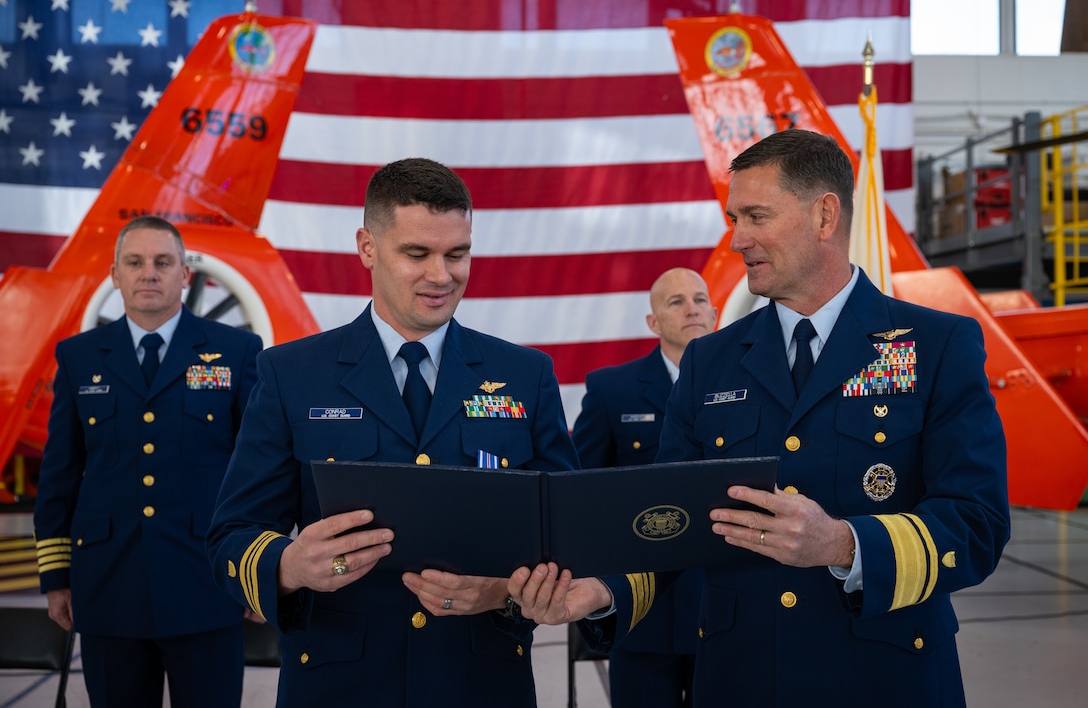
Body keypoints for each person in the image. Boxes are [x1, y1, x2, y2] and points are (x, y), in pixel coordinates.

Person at [510, 129, 1011, 707]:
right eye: (733, 218)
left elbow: (976, 524)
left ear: (825, 215)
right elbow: (671, 521)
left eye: (755, 216)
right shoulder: (710, 361)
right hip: (739, 678)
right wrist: (600, 590)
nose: (738, 238)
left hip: (884, 677)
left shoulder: (936, 344)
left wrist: (845, 543)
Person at [206, 157, 579, 707]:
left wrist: (502, 591)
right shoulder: (292, 375)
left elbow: (565, 534)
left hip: (480, 681)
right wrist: (289, 564)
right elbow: (230, 538)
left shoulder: (526, 376)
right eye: (416, 254)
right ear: (367, 247)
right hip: (340, 685)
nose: (441, 275)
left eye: (457, 254)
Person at [33, 216, 262, 707]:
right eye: (134, 263)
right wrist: (56, 577)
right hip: (108, 585)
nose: (148, 273)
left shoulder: (236, 351)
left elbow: (259, 468)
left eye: (163, 262)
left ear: (186, 274)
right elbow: (59, 475)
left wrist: (257, 570)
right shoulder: (78, 356)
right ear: (115, 275)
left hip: (207, 583)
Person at [570, 267, 716, 708]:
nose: (692, 308)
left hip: (724, 606)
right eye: (676, 302)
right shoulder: (612, 389)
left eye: (700, 299)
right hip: (645, 610)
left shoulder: (747, 383)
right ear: (653, 322)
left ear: (714, 312)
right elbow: (579, 491)